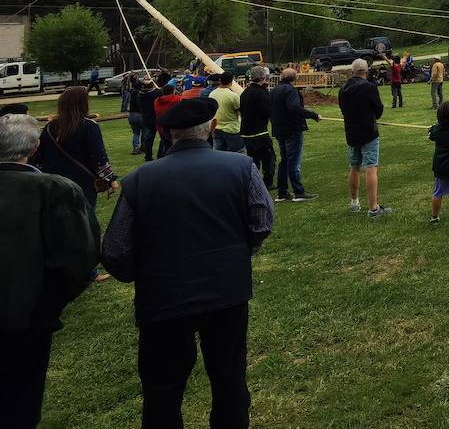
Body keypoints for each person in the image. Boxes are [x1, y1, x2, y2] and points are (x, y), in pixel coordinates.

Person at [101, 97, 272, 428]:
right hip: (226, 291)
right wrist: (237, 255)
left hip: (163, 296)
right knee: (229, 377)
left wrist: (144, 273)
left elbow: (116, 249)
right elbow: (262, 221)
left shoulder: (139, 179)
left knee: (162, 388)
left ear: (167, 135)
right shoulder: (241, 168)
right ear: (212, 128)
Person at [0, 113, 101, 429]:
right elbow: (79, 257)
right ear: (35, 146)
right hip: (27, 317)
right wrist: (48, 304)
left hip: (29, 313)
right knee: (21, 399)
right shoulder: (55, 189)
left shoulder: (52, 188)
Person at [34, 86, 119, 217]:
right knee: (83, 220)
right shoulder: (89, 126)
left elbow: (39, 155)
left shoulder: (50, 127)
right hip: (82, 183)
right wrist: (110, 178)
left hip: (54, 182)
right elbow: (98, 157)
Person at [339, 59, 389, 217]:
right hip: (369, 132)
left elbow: (343, 109)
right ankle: (373, 208)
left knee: (354, 167)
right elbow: (378, 109)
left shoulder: (343, 88)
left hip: (351, 133)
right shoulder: (369, 86)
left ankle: (355, 203)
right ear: (366, 72)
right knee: (371, 167)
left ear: (353, 71)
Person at [269, 67, 320, 202]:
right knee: (293, 162)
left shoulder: (274, 91)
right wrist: (313, 115)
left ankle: (282, 193)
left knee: (285, 160)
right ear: (294, 78)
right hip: (292, 130)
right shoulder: (290, 90)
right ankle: (298, 192)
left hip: (279, 130)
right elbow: (294, 108)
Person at [238, 66, 277, 187]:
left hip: (246, 132)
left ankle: (254, 182)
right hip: (258, 132)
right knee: (268, 158)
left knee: (253, 159)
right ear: (263, 78)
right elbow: (268, 111)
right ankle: (267, 183)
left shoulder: (245, 92)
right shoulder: (260, 93)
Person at [209, 72, 244, 153]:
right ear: (231, 82)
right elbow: (239, 111)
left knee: (219, 155)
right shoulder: (233, 96)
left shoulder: (212, 94)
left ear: (220, 81)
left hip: (216, 128)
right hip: (231, 129)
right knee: (236, 154)